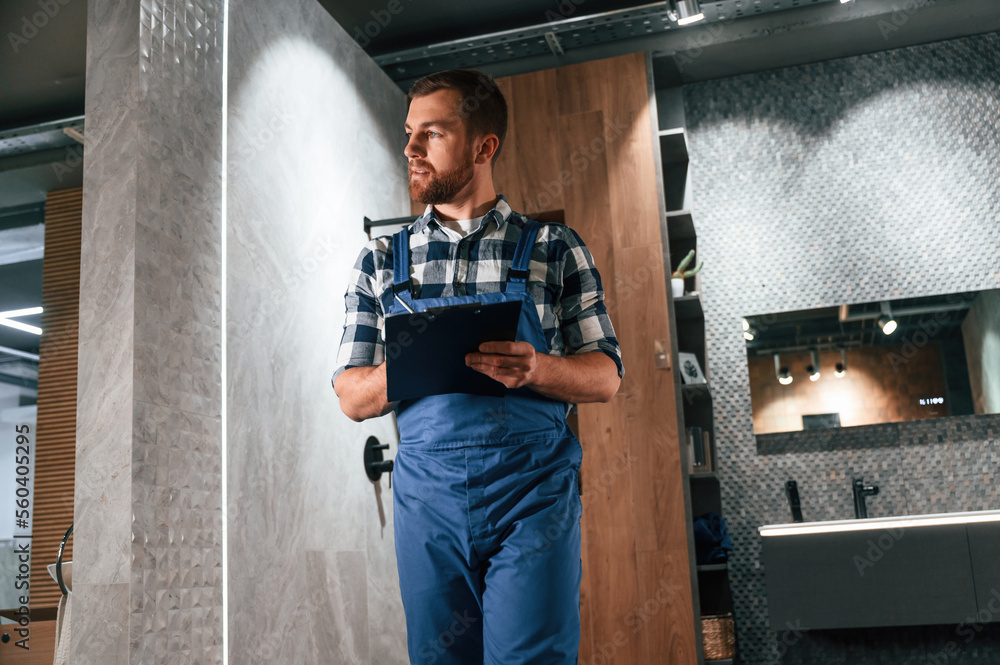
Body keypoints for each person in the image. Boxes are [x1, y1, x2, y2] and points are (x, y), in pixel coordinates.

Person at [332, 68, 623, 665]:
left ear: (483, 147)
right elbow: (351, 395)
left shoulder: (555, 248)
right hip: (427, 501)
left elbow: (606, 375)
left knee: (530, 657)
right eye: (409, 133)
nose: (410, 150)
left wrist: (537, 369)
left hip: (534, 493)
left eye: (430, 134)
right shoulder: (381, 260)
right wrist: (419, 361)